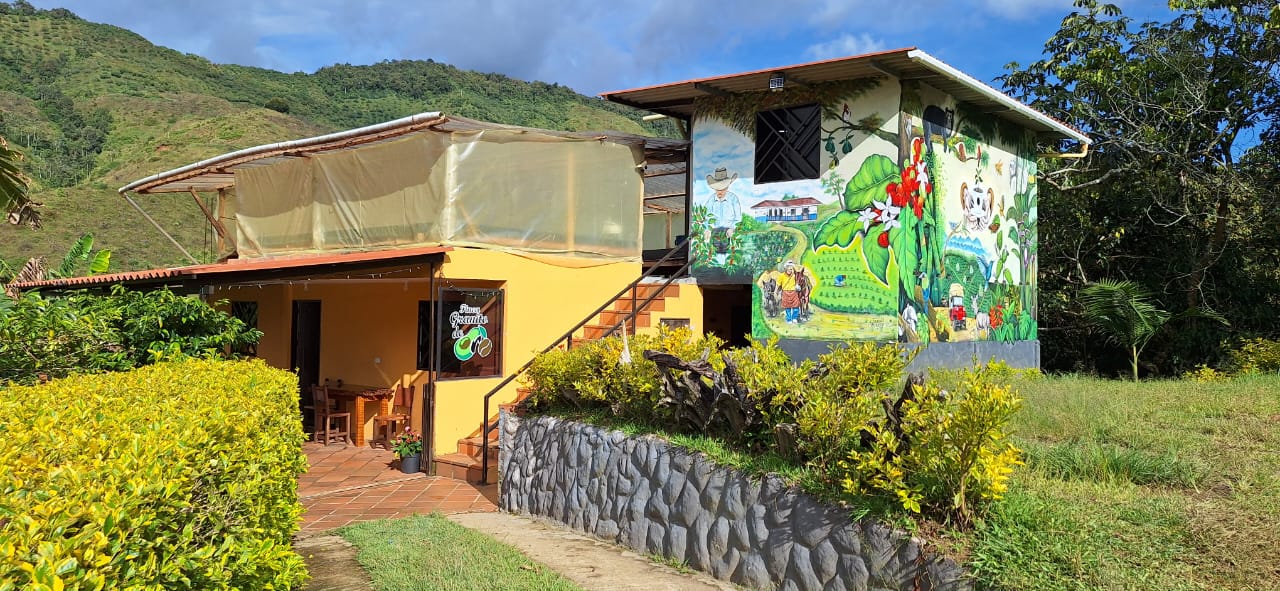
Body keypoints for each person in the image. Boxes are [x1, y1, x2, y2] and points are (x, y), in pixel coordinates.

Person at [703, 167, 743, 265]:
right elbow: (705, 218)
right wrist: (707, 229)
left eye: (723, 189)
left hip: (729, 232)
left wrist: (733, 228)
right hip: (715, 232)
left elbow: (738, 218)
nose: (720, 192)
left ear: (727, 187)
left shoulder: (733, 199)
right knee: (714, 256)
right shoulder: (711, 201)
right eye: (717, 189)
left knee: (730, 256)